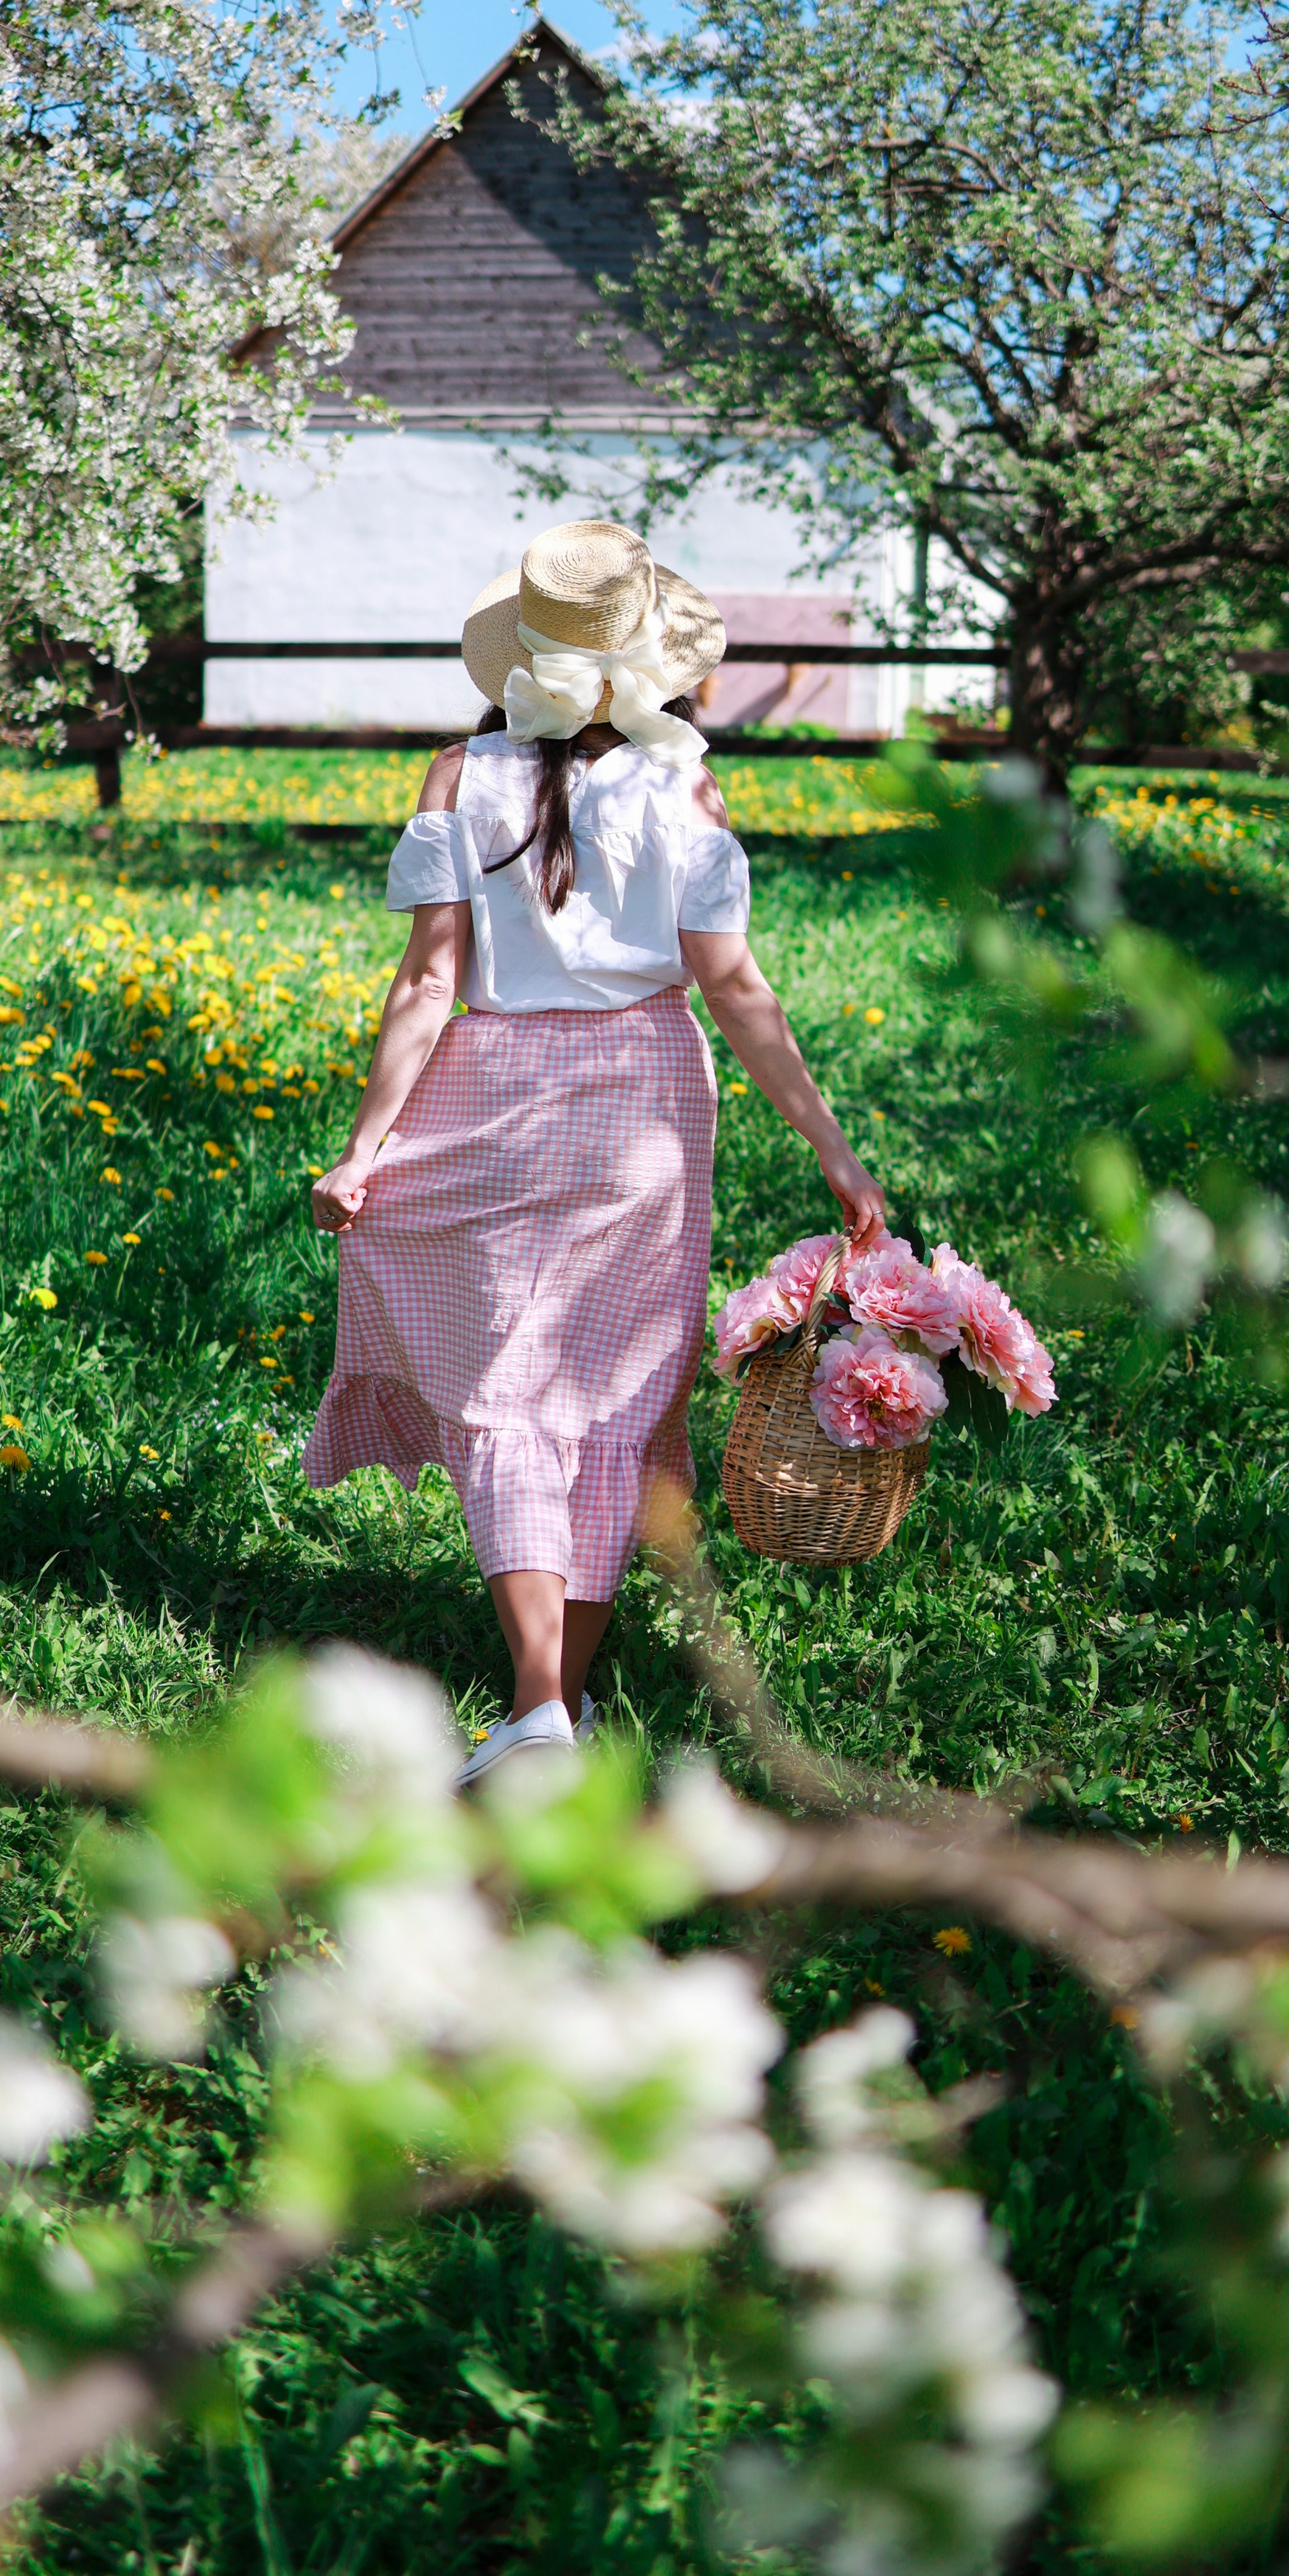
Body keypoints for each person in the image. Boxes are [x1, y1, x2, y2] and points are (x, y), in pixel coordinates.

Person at [304, 520, 885, 1780]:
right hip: (646, 1103)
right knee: (615, 1400)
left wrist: (364, 1152)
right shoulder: (686, 785)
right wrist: (836, 1155)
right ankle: (547, 1707)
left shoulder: (459, 774)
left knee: (507, 1390)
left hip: (495, 1088)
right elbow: (736, 992)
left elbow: (426, 987)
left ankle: (537, 1712)